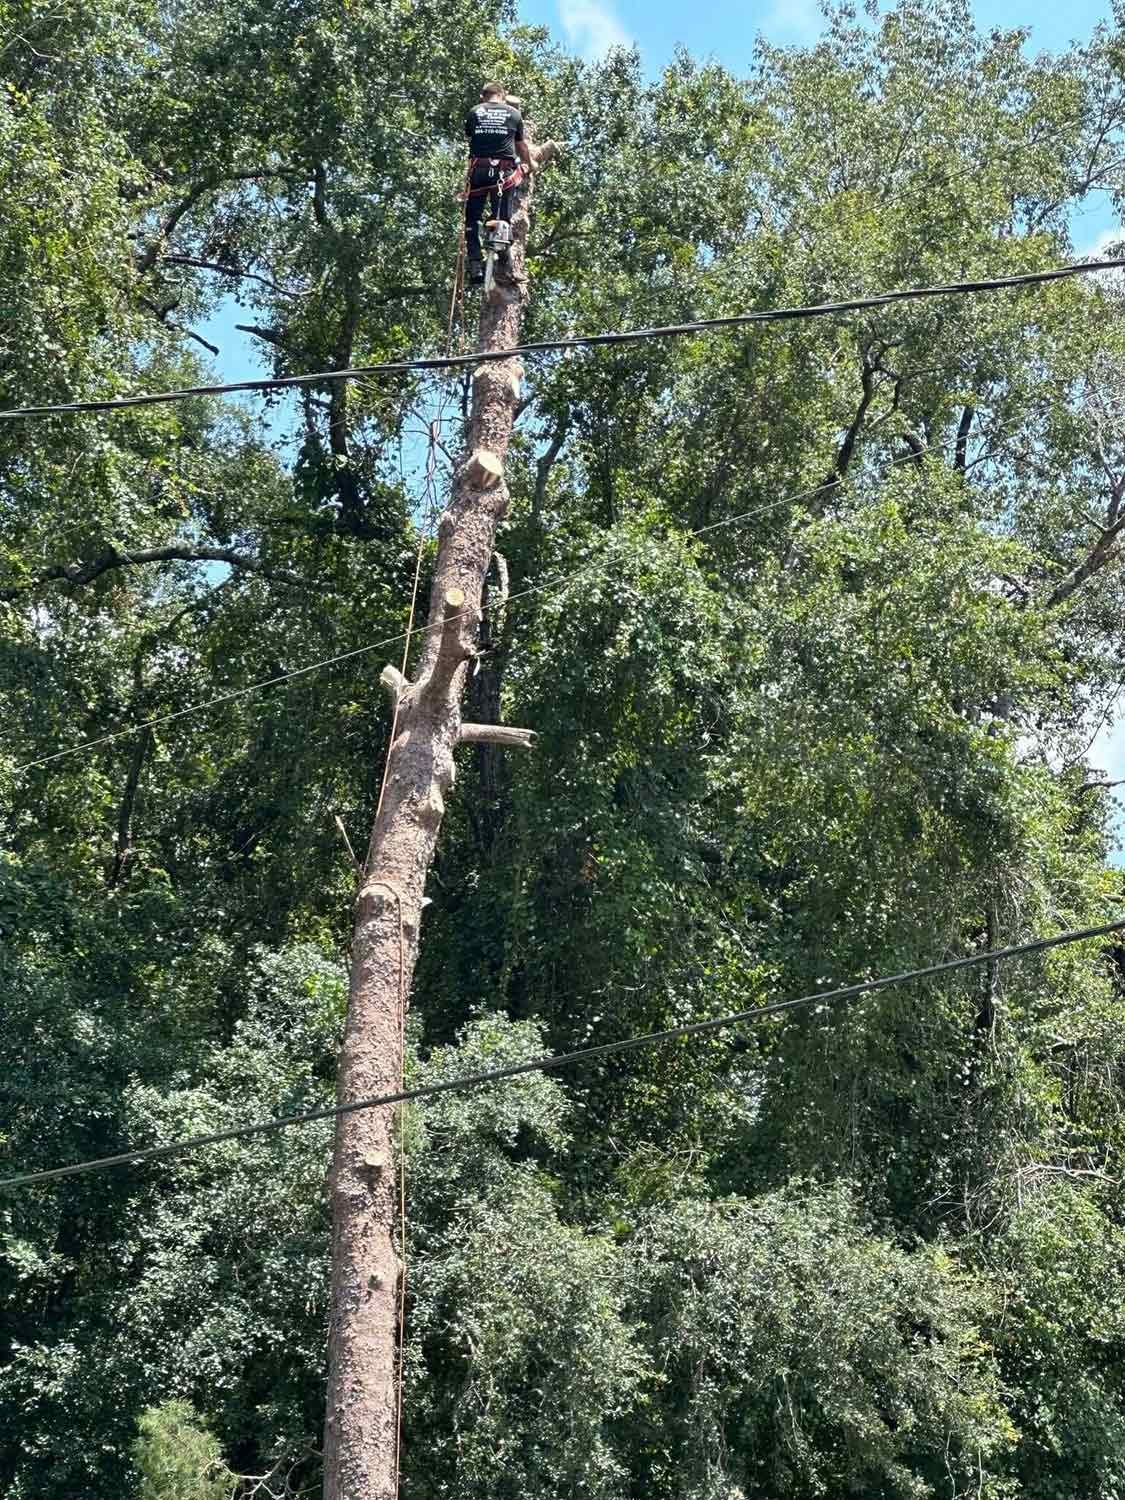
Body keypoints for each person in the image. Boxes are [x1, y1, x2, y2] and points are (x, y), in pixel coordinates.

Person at [463, 83, 532, 285]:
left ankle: (475, 263)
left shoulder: (474, 112)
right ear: (503, 96)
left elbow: (469, 136)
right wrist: (529, 163)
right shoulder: (513, 114)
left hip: (478, 170)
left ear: (483, 96)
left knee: (473, 217)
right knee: (502, 217)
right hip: (503, 171)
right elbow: (521, 145)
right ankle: (505, 262)